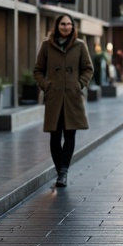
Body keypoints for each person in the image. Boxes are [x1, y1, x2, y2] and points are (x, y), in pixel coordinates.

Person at [34, 13, 93, 188]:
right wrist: (47, 86)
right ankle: (60, 170)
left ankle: (63, 171)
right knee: (54, 136)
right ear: (57, 26)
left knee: (70, 135)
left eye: (68, 24)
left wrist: (79, 84)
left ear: (73, 27)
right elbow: (37, 70)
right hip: (54, 98)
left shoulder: (80, 45)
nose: (65, 27)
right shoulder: (46, 45)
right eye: (62, 24)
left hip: (72, 98)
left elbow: (88, 69)